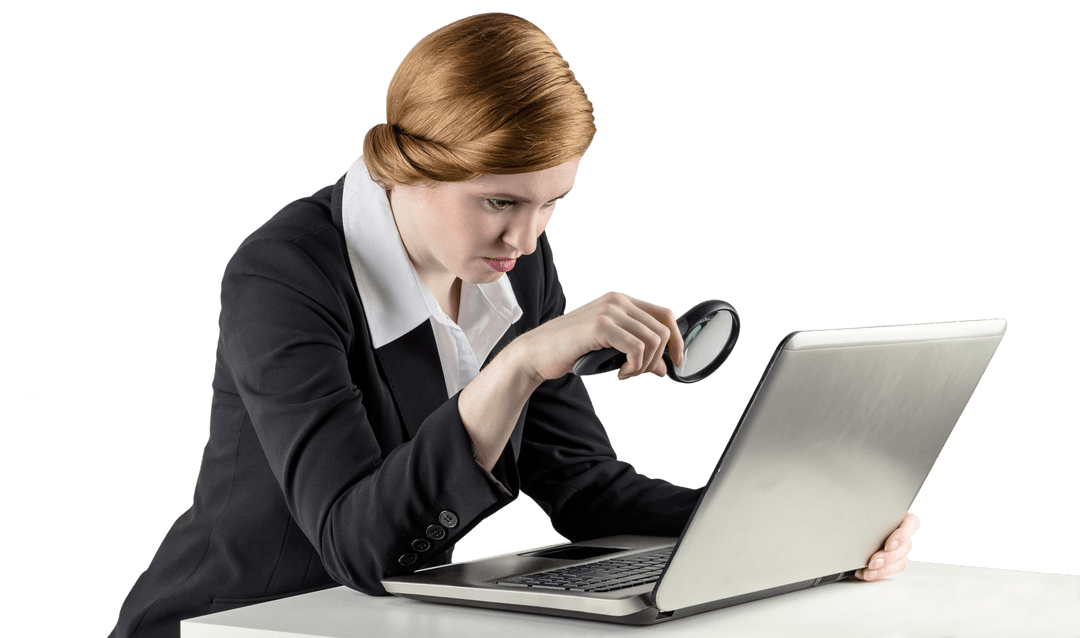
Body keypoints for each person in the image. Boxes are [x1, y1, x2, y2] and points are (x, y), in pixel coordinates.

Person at [108, 12, 918, 637]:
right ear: (410, 167)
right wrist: (517, 367)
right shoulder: (282, 274)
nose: (527, 239)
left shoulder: (511, 263)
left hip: (382, 623)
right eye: (500, 201)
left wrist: (791, 527)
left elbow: (586, 490)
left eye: (551, 203)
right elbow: (352, 545)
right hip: (241, 622)